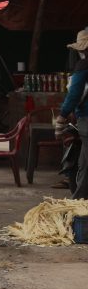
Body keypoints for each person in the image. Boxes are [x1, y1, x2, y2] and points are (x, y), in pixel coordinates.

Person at [59, 29, 88, 199]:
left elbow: (75, 94)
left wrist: (62, 115)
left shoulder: (83, 67)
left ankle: (79, 203)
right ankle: (79, 201)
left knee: (86, 164)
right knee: (84, 162)